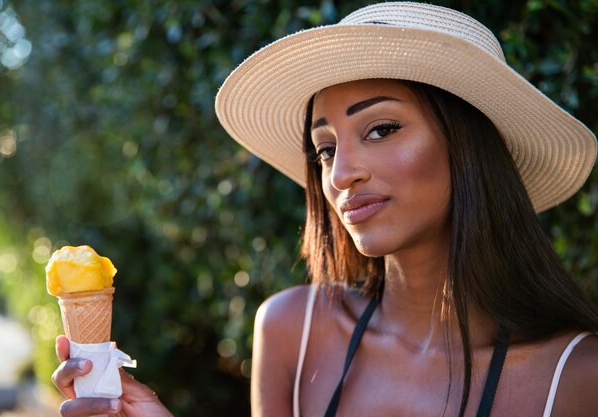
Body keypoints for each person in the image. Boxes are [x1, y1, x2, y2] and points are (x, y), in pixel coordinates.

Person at [51, 2, 598, 416]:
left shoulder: (574, 377)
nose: (340, 175)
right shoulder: (295, 331)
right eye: (326, 148)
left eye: (381, 129)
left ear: (467, 147)